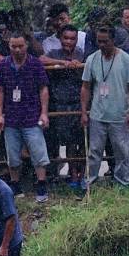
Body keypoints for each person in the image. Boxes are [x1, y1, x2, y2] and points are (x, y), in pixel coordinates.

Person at [0, 31, 50, 202]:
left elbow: (43, 88)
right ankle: (15, 184)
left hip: (32, 115)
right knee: (12, 154)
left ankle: (41, 183)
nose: (17, 50)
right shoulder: (3, 64)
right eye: (13, 46)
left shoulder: (35, 64)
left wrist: (44, 113)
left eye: (20, 46)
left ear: (26, 45)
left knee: (38, 151)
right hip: (11, 117)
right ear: (9, 46)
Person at [81, 24, 129, 187]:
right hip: (98, 114)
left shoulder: (126, 59)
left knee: (122, 151)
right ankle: (89, 182)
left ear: (113, 40)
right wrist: (84, 112)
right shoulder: (92, 59)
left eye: (105, 41)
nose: (102, 45)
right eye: (99, 41)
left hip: (120, 113)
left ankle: (122, 182)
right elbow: (85, 86)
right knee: (94, 151)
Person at [44, 25, 86, 192]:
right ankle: (72, 174)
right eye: (66, 38)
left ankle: (82, 174)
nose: (69, 41)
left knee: (81, 141)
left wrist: (78, 64)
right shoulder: (54, 53)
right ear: (60, 39)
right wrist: (63, 63)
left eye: (72, 38)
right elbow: (41, 59)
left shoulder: (82, 53)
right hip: (61, 103)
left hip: (79, 102)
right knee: (68, 142)